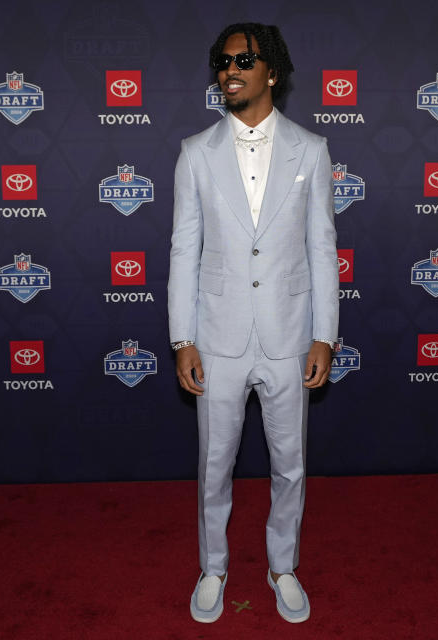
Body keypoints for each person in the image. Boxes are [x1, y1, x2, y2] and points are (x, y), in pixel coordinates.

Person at [167, 22, 339, 624]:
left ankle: (281, 565)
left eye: (242, 58)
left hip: (291, 336)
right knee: (215, 464)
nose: (228, 69)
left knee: (289, 463)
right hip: (217, 338)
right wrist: (182, 339)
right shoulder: (195, 153)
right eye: (221, 60)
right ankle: (213, 568)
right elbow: (183, 252)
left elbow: (322, 247)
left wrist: (324, 333)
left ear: (273, 70)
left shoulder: (312, 151)